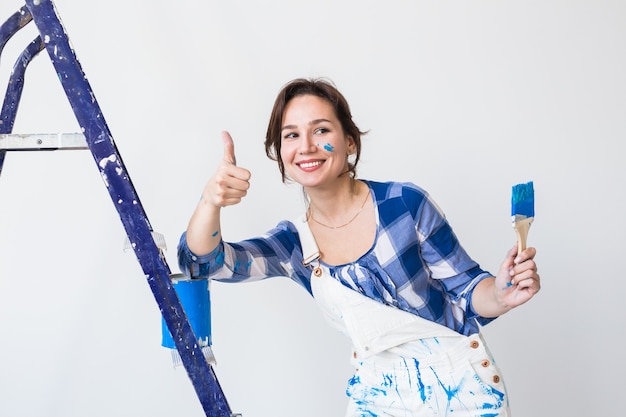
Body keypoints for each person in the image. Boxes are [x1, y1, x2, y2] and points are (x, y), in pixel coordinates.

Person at [177, 77, 540, 416]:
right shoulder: (293, 245)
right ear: (280, 153)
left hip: (462, 394)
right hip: (379, 399)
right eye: (291, 135)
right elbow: (206, 264)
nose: (306, 146)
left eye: (321, 129)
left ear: (349, 141)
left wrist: (503, 292)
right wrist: (210, 202)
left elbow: (468, 293)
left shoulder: (405, 204)